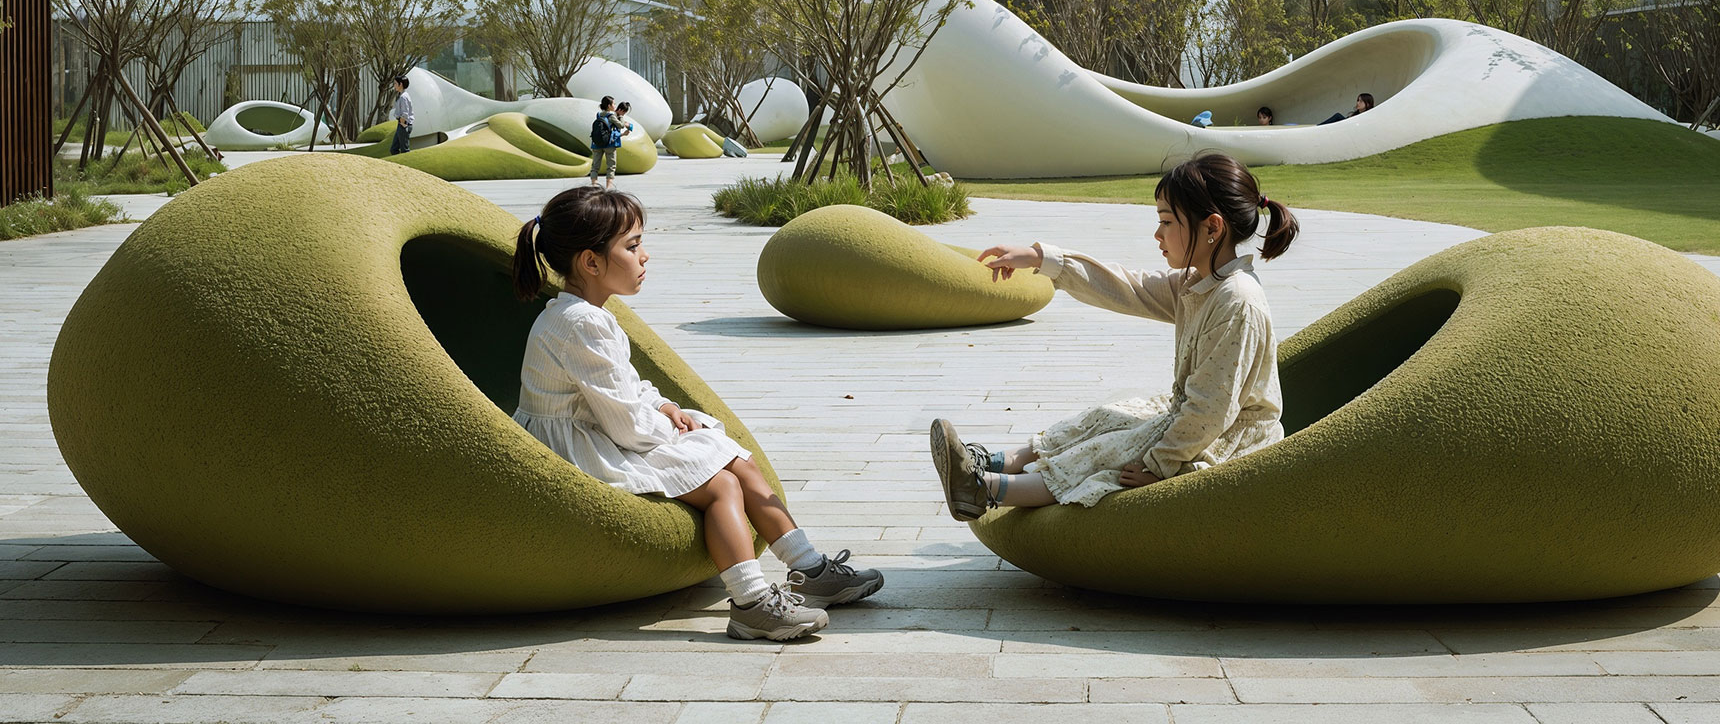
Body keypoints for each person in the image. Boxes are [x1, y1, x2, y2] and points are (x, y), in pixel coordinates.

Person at [510, 186, 883, 639]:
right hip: (580, 450)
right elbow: (627, 424)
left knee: (735, 460)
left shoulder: (582, 314)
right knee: (722, 483)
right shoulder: (583, 323)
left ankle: (810, 569)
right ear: (591, 262)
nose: (645, 256)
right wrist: (678, 432)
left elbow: (622, 387)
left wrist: (665, 406)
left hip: (600, 432)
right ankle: (751, 604)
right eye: (632, 246)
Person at [927, 152, 1298, 519]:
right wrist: (1041, 259)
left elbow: (1210, 411)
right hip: (1199, 422)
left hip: (1229, 442)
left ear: (1212, 228)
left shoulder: (1236, 302)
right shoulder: (1199, 284)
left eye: (1167, 221)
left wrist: (1160, 464)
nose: (1157, 234)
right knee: (1104, 419)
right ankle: (989, 461)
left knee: (1108, 454)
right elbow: (1126, 287)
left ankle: (982, 489)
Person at [588, 96, 624, 188]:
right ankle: (608, 187)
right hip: (609, 144)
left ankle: (594, 185)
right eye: (613, 104)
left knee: (595, 166)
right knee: (611, 166)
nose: (615, 105)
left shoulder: (598, 115)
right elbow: (621, 125)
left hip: (597, 144)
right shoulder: (611, 116)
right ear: (609, 106)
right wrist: (620, 116)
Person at [389, 76, 415, 155]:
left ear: (400, 84)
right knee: (394, 149)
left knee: (405, 150)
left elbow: (405, 113)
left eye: (395, 83)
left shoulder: (403, 97)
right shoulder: (402, 95)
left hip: (403, 125)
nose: (394, 85)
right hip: (401, 124)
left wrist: (403, 124)